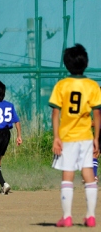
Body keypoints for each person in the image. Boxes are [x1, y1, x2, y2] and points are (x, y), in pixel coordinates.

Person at [49, 43, 100, 228]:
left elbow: (55, 113)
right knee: (88, 174)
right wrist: (96, 138)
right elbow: (97, 114)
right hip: (86, 136)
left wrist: (56, 137)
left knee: (67, 175)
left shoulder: (62, 85)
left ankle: (67, 216)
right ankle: (91, 216)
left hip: (67, 137)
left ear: (66, 63)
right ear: (85, 63)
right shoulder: (92, 86)